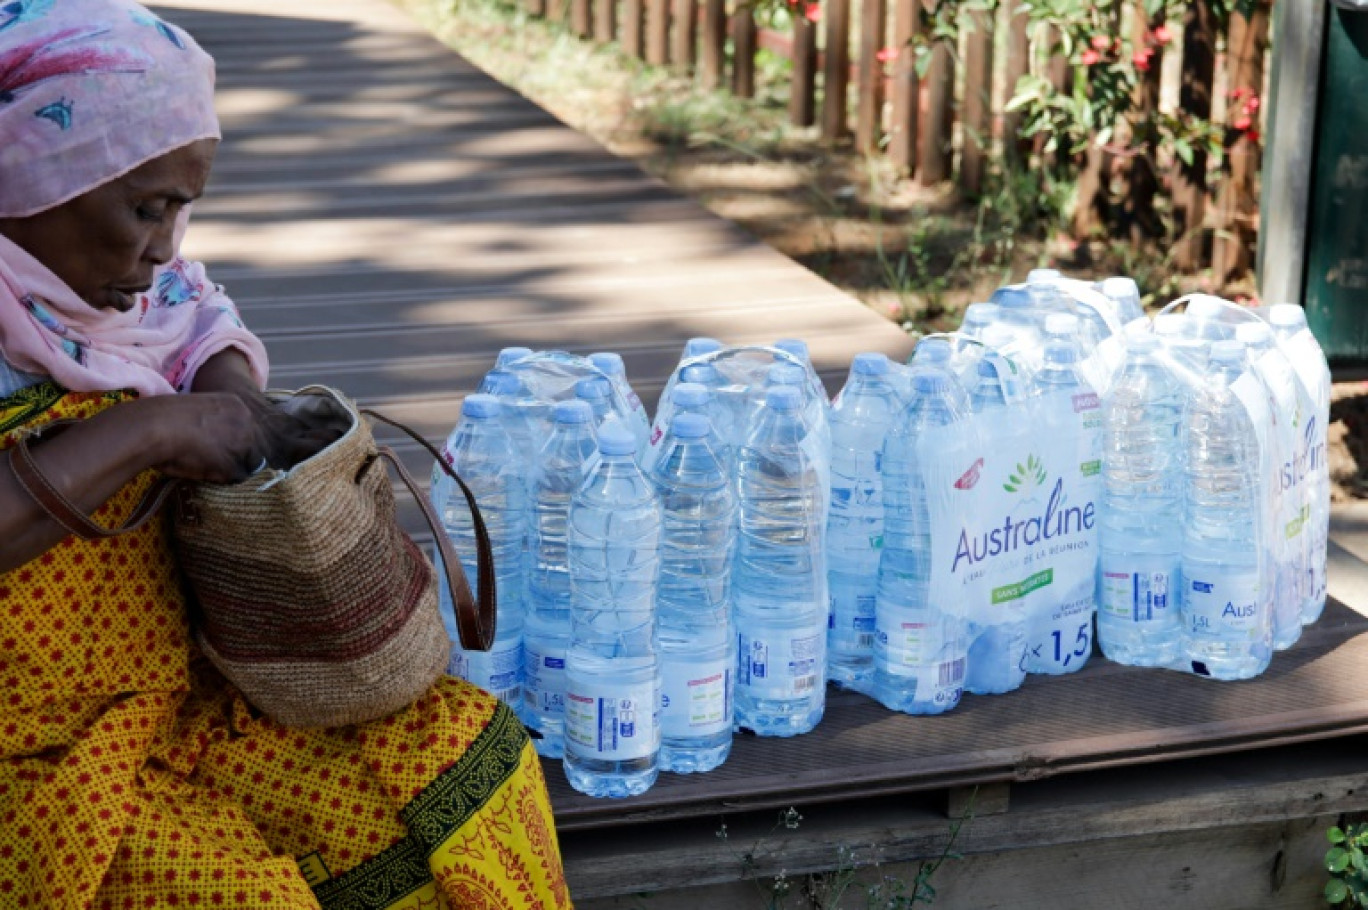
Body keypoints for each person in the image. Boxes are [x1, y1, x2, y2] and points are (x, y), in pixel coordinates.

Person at [0, 1, 572, 906]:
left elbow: (196, 309)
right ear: (35, 172)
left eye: (183, 209)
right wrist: (153, 428)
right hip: (34, 757)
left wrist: (231, 394)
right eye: (146, 210)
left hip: (182, 696)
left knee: (465, 754)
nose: (164, 249)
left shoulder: (121, 291)